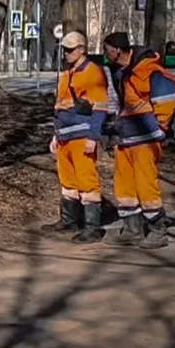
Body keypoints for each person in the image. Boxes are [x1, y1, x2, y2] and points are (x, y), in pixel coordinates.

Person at [102, 32, 175, 249]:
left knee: (146, 184)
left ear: (118, 50)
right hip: (126, 136)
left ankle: (157, 229)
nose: (105, 53)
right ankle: (132, 228)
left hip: (146, 137)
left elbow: (169, 100)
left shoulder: (147, 69)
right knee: (124, 184)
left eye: (107, 49)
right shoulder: (121, 72)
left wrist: (160, 128)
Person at [42, 31, 109, 243]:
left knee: (87, 181)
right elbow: (60, 106)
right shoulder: (67, 74)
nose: (66, 53)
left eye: (70, 49)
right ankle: (69, 219)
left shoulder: (92, 72)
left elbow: (100, 107)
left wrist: (93, 137)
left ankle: (92, 228)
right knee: (68, 181)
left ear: (82, 49)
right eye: (65, 49)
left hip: (81, 135)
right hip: (64, 136)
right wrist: (56, 135)